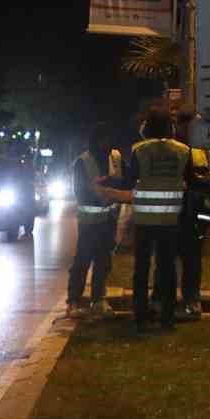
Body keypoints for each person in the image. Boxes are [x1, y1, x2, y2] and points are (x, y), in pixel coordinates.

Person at [122, 108, 191, 331]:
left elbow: (129, 180)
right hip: (170, 218)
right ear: (170, 127)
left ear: (147, 127)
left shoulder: (139, 150)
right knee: (167, 268)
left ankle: (140, 314)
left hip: (144, 218)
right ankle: (167, 316)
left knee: (141, 267)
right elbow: (189, 179)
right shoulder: (183, 150)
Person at [66, 125, 126, 319]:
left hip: (109, 219)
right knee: (83, 261)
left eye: (109, 139)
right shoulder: (82, 162)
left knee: (103, 260)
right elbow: (81, 193)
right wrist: (109, 191)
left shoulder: (115, 158)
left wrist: (109, 188)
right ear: (96, 140)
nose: (107, 143)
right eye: (104, 139)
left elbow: (125, 181)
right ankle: (73, 301)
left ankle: (98, 299)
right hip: (90, 222)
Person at [172, 110, 210, 320]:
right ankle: (175, 300)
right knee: (177, 256)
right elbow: (187, 178)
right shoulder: (176, 147)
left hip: (201, 209)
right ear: (182, 126)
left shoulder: (203, 147)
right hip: (181, 209)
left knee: (194, 257)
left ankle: (192, 299)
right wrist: (203, 181)